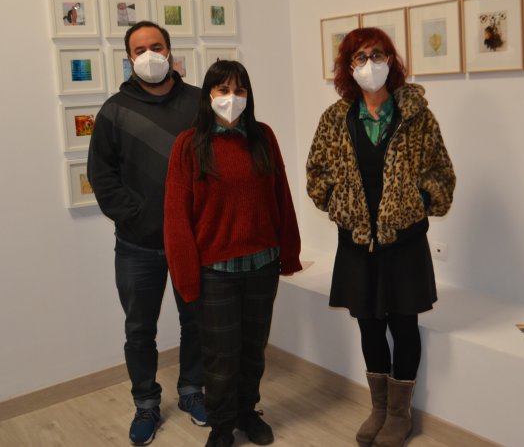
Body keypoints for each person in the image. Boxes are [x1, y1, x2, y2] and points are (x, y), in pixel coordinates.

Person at [306, 28, 455, 447]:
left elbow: (442, 174)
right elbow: (316, 175)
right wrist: (338, 204)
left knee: (404, 327)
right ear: (347, 67)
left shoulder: (416, 116)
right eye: (358, 57)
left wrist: (417, 201)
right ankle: (377, 408)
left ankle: (399, 414)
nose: (369, 64)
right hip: (356, 245)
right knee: (369, 327)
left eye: (377, 54)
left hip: (404, 244)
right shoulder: (336, 119)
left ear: (391, 60)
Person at [164, 60, 302, 447]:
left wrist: (289, 253)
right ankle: (222, 426)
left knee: (253, 350)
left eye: (239, 90)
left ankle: (247, 413)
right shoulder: (189, 145)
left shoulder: (264, 137)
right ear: (208, 95)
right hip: (215, 272)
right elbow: (176, 217)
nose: (231, 98)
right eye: (222, 90)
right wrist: (186, 277)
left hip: (262, 264)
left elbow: (282, 199)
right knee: (221, 357)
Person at [87, 20, 208, 446]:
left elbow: (214, 166)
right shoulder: (113, 111)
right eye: (140, 49)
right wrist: (135, 216)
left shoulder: (199, 104)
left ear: (171, 52)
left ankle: (193, 391)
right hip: (137, 246)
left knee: (196, 321)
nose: (149, 55)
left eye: (156, 46)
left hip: (191, 243)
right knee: (140, 329)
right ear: (129, 58)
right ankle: (146, 403)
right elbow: (101, 177)